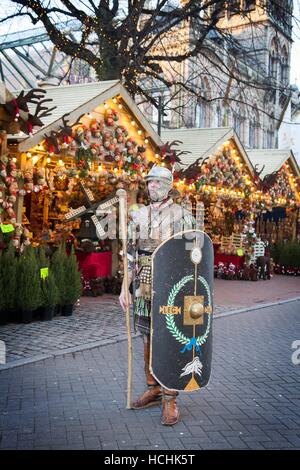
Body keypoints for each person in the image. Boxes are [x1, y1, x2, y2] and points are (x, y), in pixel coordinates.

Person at [119, 165, 195, 425]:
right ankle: (153, 388)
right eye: (149, 182)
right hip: (143, 285)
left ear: (169, 185)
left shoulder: (182, 216)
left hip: (171, 286)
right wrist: (123, 289)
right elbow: (130, 255)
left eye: (157, 182)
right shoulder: (138, 215)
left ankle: (170, 398)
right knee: (148, 338)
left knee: (171, 338)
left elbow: (192, 257)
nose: (152, 186)